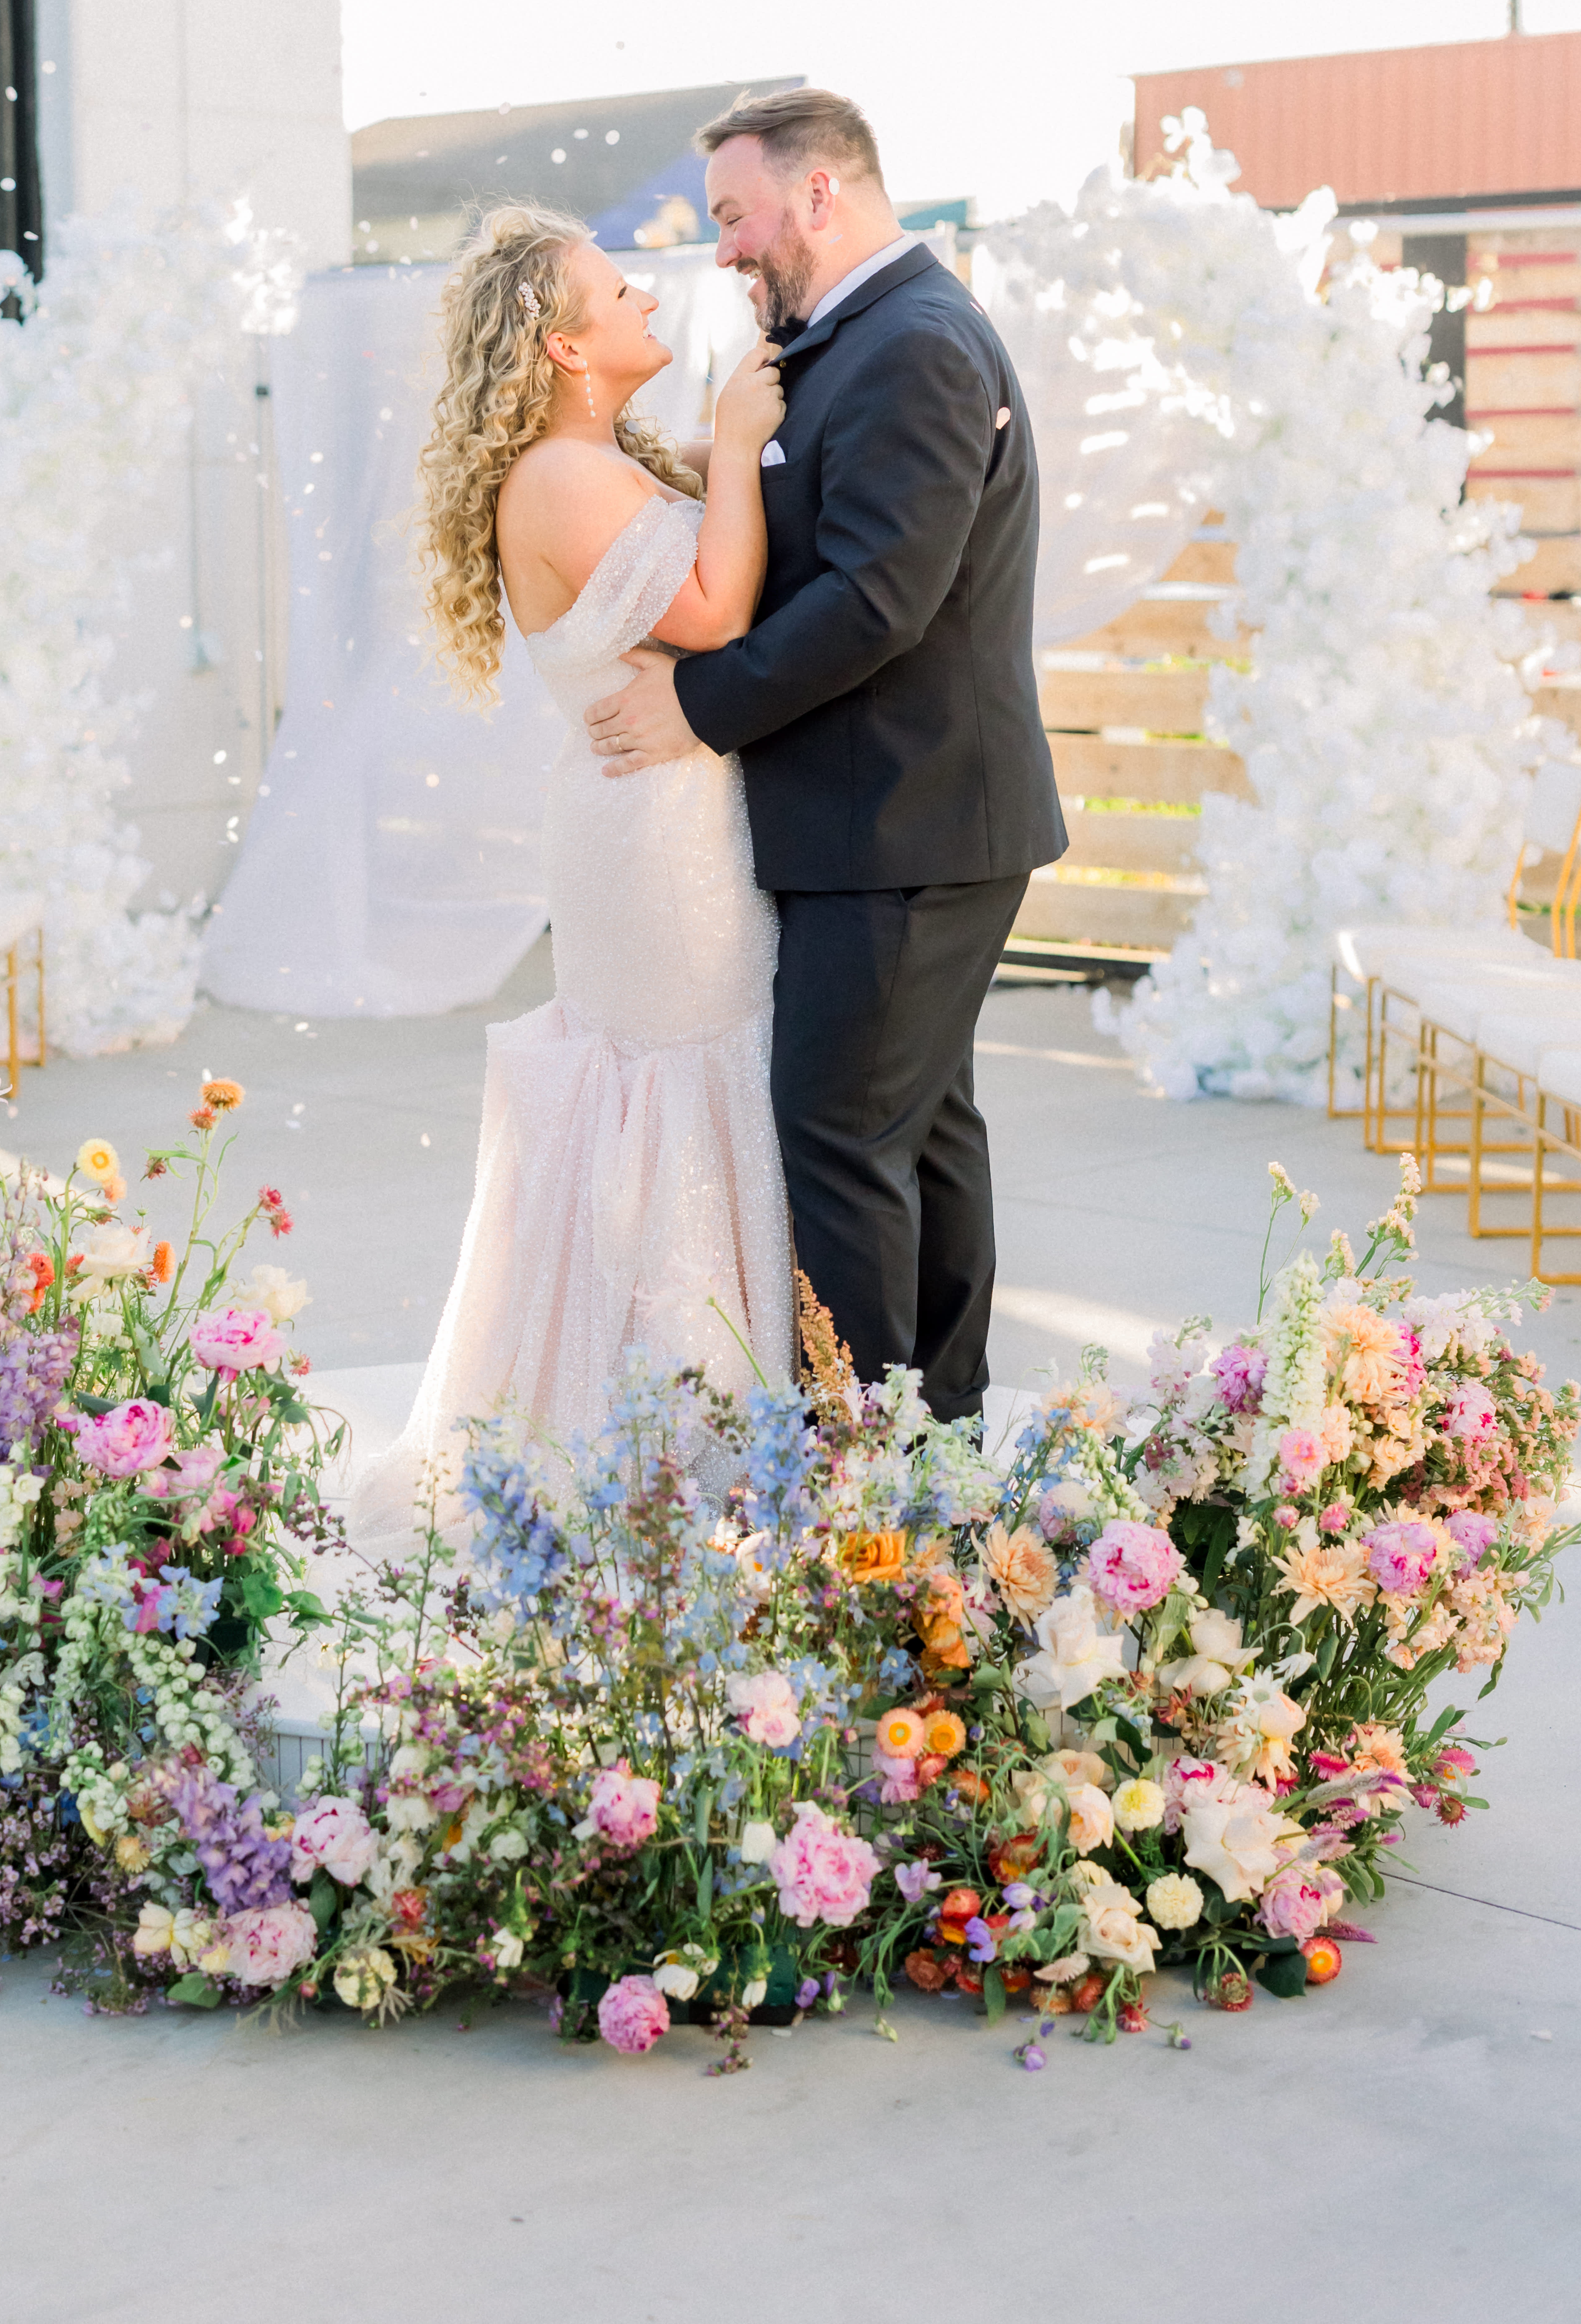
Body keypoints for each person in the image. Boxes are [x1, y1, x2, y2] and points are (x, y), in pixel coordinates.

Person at [585, 87, 1065, 1425]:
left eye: (735, 216)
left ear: (819, 192)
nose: (725, 249)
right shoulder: (862, 336)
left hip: (905, 821)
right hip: (898, 817)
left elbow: (877, 600)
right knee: (921, 1134)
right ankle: (936, 1439)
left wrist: (697, 705)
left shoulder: (913, 343)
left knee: (840, 1139)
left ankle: (862, 1469)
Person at [341, 200, 791, 1544]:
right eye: (618, 290)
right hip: (655, 844)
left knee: (690, 1091)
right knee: (678, 1096)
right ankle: (667, 1449)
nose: (647, 298)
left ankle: (683, 1430)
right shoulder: (558, 475)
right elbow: (716, 613)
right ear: (563, 345)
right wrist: (734, 444)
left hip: (667, 818)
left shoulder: (595, 459)